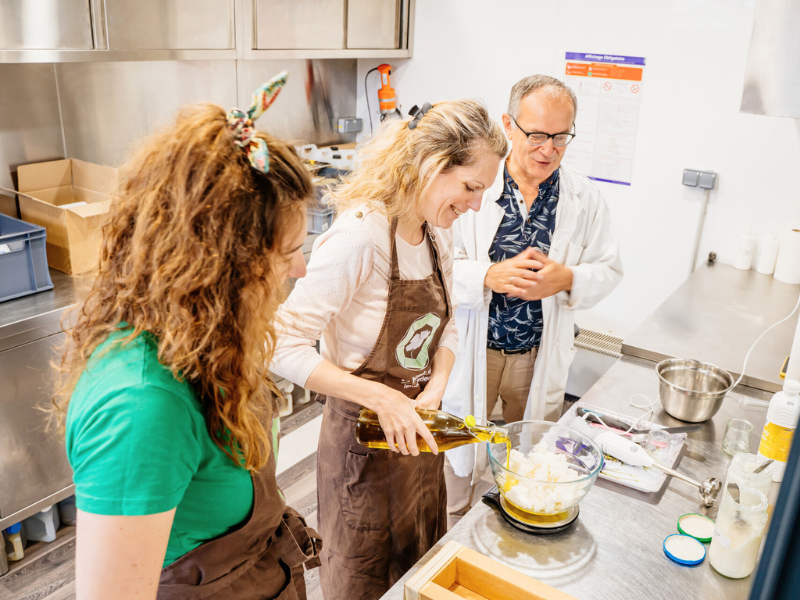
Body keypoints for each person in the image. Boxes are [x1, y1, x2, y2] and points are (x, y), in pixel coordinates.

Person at [56, 73, 322, 600]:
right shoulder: (142, 406)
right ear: (224, 264)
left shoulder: (210, 341)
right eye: (288, 252)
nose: (301, 270)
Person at [270, 100, 508, 600]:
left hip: (420, 449)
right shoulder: (361, 235)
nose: (477, 205)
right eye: (471, 187)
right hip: (363, 456)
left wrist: (437, 385)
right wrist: (381, 398)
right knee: (364, 583)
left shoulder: (435, 233)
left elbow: (447, 328)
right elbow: (281, 342)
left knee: (419, 573)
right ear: (432, 165)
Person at [441, 75, 623, 527]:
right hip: (472, 348)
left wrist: (567, 278)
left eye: (561, 137)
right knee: (458, 457)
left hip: (534, 354)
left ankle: (508, 539)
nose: (548, 150)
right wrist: (488, 274)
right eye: (537, 135)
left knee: (529, 461)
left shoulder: (583, 198)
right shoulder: (474, 186)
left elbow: (610, 269)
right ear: (508, 124)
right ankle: (448, 535)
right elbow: (439, 261)